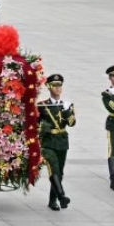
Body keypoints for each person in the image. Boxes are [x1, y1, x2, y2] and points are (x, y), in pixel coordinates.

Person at [38, 75, 75, 209]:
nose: (58, 88)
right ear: (49, 87)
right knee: (53, 168)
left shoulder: (67, 105)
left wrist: (66, 110)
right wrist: (42, 129)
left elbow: (72, 123)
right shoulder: (42, 106)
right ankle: (62, 196)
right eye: (55, 85)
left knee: (60, 172)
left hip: (62, 141)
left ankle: (52, 201)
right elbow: (35, 124)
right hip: (48, 142)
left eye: (59, 85)